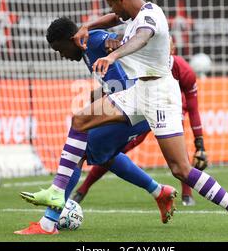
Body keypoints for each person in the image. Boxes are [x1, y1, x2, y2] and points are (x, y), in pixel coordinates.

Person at [21, 0, 228, 237]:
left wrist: (113, 53)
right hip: (138, 91)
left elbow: (141, 39)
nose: (113, 11)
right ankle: (57, 194)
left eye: (112, 5)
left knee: (181, 169)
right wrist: (86, 27)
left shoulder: (151, 16)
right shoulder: (131, 15)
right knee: (80, 120)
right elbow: (114, 20)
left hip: (160, 94)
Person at [14, 17, 177, 235]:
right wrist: (99, 95)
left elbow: (118, 40)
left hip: (135, 106)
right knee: (104, 155)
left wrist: (116, 40)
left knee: (79, 150)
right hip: (135, 107)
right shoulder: (87, 51)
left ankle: (48, 223)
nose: (61, 55)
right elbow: (119, 77)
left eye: (60, 49)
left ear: (71, 39)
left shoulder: (95, 40)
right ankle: (159, 191)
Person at [72, 36, 209, 206]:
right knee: (113, 151)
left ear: (171, 51)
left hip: (170, 110)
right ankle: (83, 189)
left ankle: (187, 195)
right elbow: (121, 86)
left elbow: (193, 108)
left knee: (178, 156)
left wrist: (199, 144)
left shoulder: (184, 70)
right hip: (142, 110)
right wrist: (99, 98)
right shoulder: (141, 64)